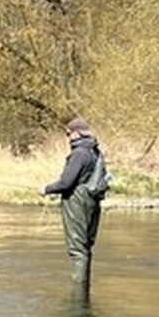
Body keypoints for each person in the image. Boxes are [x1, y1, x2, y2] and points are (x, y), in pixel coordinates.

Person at [41, 116, 104, 290]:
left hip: (76, 202)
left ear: (76, 134)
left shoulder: (79, 154)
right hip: (92, 201)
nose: (68, 138)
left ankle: (78, 292)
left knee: (77, 250)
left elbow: (66, 183)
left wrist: (46, 189)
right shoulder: (95, 152)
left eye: (68, 134)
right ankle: (84, 289)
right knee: (85, 247)